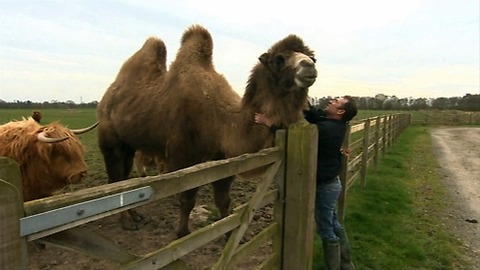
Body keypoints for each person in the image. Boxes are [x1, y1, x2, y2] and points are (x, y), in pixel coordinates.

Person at [255, 96, 358, 270]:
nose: (332, 100)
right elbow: (316, 115)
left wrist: (268, 122)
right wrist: (302, 101)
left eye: (336, 102)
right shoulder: (335, 125)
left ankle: (335, 267)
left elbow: (293, 131)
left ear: (340, 112)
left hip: (325, 187)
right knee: (334, 223)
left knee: (326, 228)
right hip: (331, 185)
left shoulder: (326, 129)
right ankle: (347, 264)